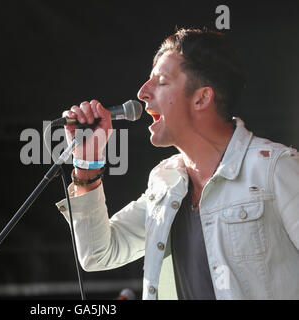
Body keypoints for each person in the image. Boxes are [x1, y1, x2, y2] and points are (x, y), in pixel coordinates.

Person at [55, 28, 299, 300]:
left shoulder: (275, 168)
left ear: (202, 98)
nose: (142, 92)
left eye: (161, 81)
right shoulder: (165, 180)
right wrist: (87, 162)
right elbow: (98, 254)